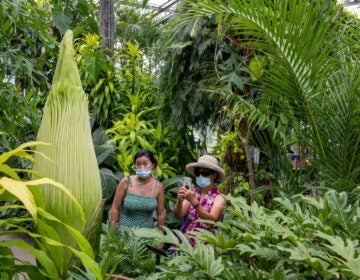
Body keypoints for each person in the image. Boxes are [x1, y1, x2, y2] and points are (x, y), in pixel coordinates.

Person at [173, 155, 226, 246]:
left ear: (214, 175)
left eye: (205, 173)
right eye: (198, 173)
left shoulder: (219, 197)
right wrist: (180, 201)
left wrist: (195, 203)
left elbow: (211, 222)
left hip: (206, 247)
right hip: (186, 243)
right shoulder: (194, 193)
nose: (201, 176)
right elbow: (178, 215)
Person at [109, 149, 165, 231]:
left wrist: (160, 239)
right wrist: (112, 233)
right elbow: (115, 208)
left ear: (152, 165)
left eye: (145, 164)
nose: (142, 167)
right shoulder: (126, 182)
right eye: (138, 164)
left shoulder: (158, 187)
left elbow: (161, 214)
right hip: (124, 235)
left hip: (147, 237)